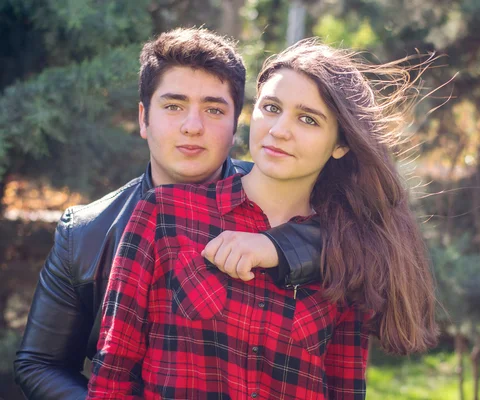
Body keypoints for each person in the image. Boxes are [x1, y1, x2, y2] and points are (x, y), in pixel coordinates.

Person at [87, 38, 438, 399]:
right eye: (271, 108)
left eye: (307, 119)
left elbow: (344, 390)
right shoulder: (163, 213)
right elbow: (112, 374)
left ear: (341, 144)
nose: (280, 130)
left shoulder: (346, 251)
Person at [14, 28, 323, 400]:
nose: (192, 126)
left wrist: (278, 245)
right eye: (173, 106)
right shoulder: (85, 233)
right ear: (144, 119)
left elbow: (359, 236)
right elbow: (39, 363)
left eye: (213, 109)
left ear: (235, 124)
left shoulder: (279, 193)